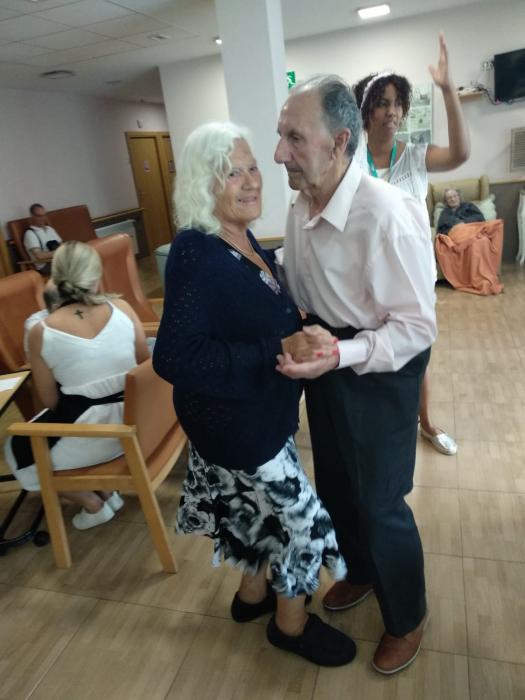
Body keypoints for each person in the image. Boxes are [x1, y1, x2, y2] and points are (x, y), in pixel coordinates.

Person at [152, 121, 356, 667]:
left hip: (254, 414)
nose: (250, 181)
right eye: (231, 173)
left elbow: (251, 312)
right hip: (237, 426)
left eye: (252, 167)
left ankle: (252, 594)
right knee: (302, 526)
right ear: (203, 183)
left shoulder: (242, 240)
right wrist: (276, 347)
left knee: (252, 513)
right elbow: (174, 357)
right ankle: (290, 626)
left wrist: (301, 327)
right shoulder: (196, 251)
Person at [274, 75, 437, 674]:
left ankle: (408, 616)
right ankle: (363, 571)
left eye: (295, 137)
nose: (279, 153)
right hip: (329, 359)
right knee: (338, 484)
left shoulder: (386, 214)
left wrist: (340, 353)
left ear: (340, 141)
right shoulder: (299, 204)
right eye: (280, 136)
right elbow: (301, 286)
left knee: (380, 501)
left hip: (381, 367)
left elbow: (417, 328)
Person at [352, 33, 467, 457]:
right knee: (371, 356)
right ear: (365, 110)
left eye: (398, 103)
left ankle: (426, 423)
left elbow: (460, 153)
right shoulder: (350, 162)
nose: (392, 111)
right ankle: (382, 428)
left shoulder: (416, 157)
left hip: (412, 277)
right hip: (365, 280)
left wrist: (448, 89)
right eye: (382, 103)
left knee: (417, 354)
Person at [5, 241, 149, 530]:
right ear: (97, 275)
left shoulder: (41, 331)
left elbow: (49, 401)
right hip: (139, 429)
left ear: (55, 278)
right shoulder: (122, 308)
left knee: (17, 448)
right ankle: (105, 492)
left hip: (92, 440)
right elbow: (145, 370)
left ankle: (91, 501)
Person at [435, 188, 504, 295]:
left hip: (474, 230)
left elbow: (480, 218)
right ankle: (479, 280)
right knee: (477, 243)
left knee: (483, 241)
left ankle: (484, 278)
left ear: (459, 197)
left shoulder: (469, 206)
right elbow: (441, 230)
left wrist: (464, 222)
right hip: (459, 235)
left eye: (454, 196)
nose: (452, 199)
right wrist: (457, 226)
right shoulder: (445, 213)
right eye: (449, 198)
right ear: (446, 201)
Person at [24, 204, 63, 275]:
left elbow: (62, 245)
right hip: (45, 266)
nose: (42, 218)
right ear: (32, 216)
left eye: (44, 215)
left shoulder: (50, 229)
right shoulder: (30, 233)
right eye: (39, 216)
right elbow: (40, 256)